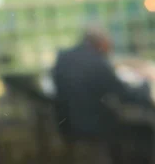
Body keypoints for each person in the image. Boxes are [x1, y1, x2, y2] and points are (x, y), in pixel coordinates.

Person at [53, 24, 153, 164]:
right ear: (101, 43)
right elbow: (124, 94)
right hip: (93, 128)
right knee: (143, 130)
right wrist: (145, 85)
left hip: (67, 126)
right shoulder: (96, 62)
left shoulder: (64, 58)